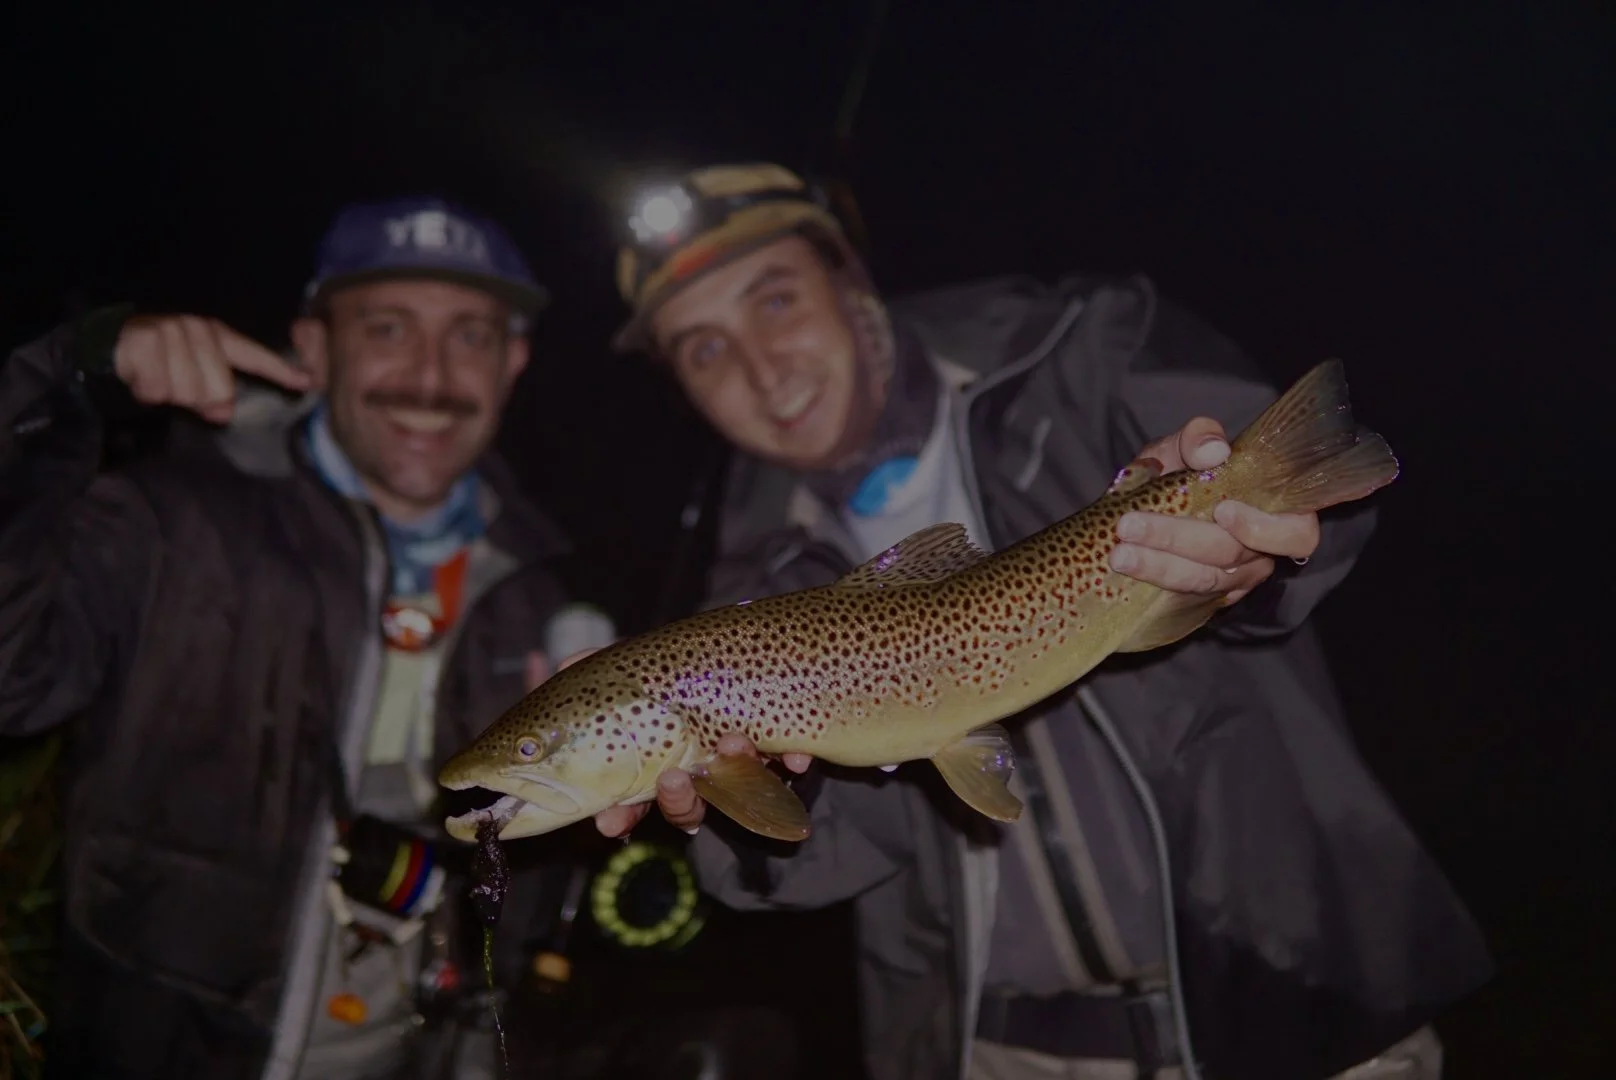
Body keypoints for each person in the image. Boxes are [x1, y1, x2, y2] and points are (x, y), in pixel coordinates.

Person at [587, 163, 1494, 1080]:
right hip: (1000, 1054)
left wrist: (1252, 552)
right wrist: (757, 791)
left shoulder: (1084, 347)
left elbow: (1323, 502)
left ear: (849, 277)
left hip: (1299, 1010)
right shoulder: (742, 596)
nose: (760, 366)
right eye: (703, 350)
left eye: (776, 299)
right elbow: (809, 864)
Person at [0, 195, 614, 1079]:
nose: (431, 375)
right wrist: (63, 389)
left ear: (513, 362)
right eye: (389, 328)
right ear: (313, 348)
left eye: (471, 335)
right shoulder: (165, 519)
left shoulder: (545, 596)